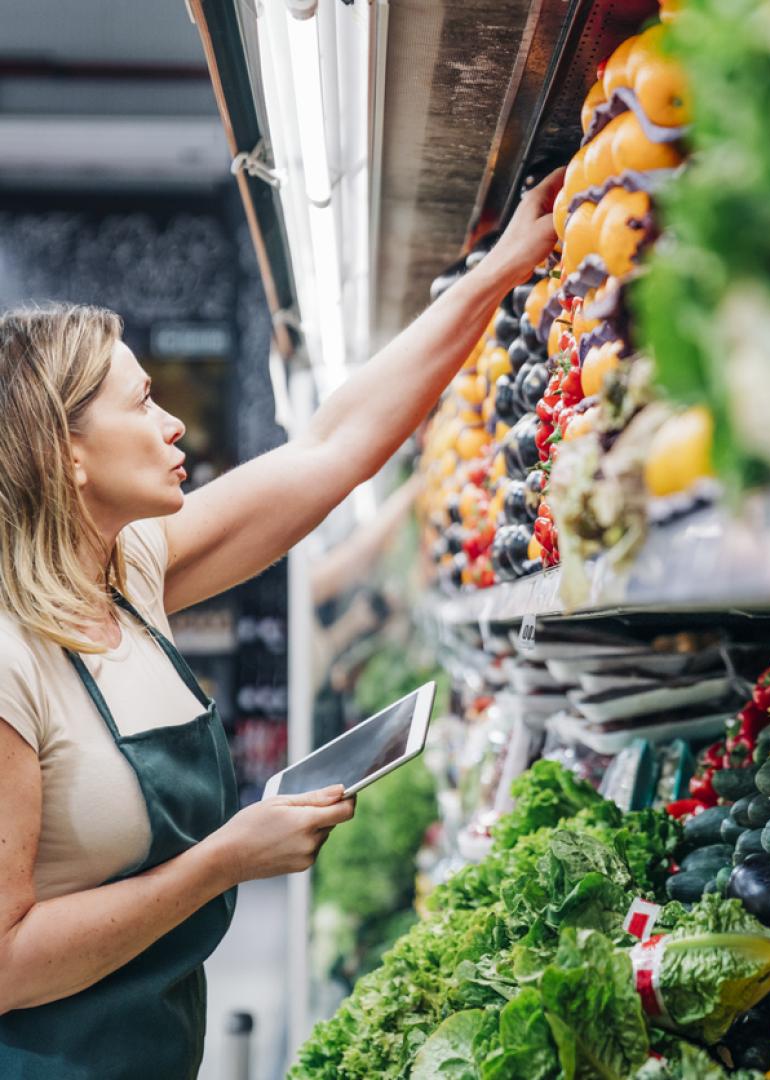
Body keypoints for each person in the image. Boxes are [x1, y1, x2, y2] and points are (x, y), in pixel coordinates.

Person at [0, 167, 563, 1079]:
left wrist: (497, 273)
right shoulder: (8, 659)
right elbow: (5, 964)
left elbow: (330, 447)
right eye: (142, 402)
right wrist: (222, 861)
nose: (175, 423)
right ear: (67, 454)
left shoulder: (130, 574)